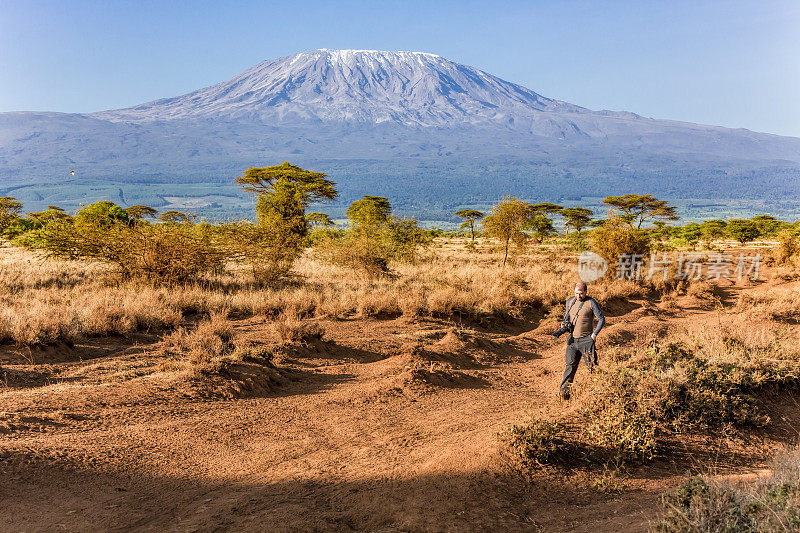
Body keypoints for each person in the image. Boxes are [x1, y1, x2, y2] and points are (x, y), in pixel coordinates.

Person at [552, 281, 605, 399]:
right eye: (576, 293)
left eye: (581, 293)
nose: (578, 296)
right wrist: (563, 325)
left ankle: (600, 393)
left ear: (586, 292)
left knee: (592, 367)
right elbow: (566, 317)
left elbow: (601, 319)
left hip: (586, 340)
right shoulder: (570, 301)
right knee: (569, 366)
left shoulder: (591, 302)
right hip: (572, 340)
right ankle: (564, 394)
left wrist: (594, 334)